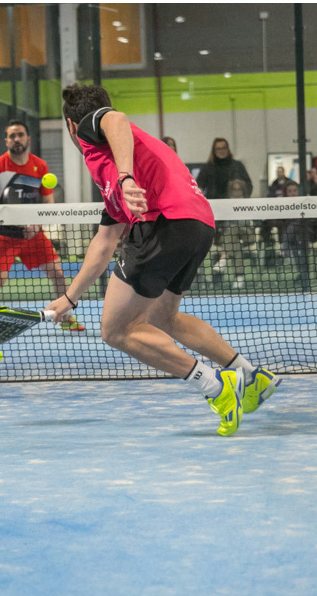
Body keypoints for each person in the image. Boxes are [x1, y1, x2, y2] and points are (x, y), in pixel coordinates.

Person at [47, 83, 281, 437]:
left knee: (115, 330)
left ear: (71, 126)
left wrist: (126, 177)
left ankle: (215, 387)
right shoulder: (110, 170)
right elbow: (104, 241)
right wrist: (70, 297)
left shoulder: (95, 134)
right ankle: (250, 376)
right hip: (196, 225)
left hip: (164, 222)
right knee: (161, 316)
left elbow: (115, 119)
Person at [0, 119, 84, 331]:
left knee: (57, 273)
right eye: (12, 136)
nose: (17, 139)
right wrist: (7, 220)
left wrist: (36, 224)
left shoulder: (39, 166)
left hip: (33, 234)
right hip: (3, 235)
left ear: (28, 138)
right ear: (6, 141)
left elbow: (48, 202)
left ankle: (64, 318)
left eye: (20, 135)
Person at [211, 178, 254, 289]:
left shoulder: (249, 203)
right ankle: (239, 277)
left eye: (239, 189)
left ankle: (224, 258)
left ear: (243, 190)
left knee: (233, 228)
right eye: (234, 189)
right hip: (228, 236)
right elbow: (219, 222)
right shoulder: (224, 203)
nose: (236, 191)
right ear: (230, 190)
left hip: (246, 234)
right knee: (235, 245)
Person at [280, 180, 312, 291]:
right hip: (289, 236)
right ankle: (302, 273)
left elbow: (310, 221)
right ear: (286, 193)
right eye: (290, 191)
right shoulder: (280, 205)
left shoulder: (305, 203)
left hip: (303, 234)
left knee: (296, 238)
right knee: (295, 244)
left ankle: (285, 251)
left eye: (295, 190)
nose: (293, 193)